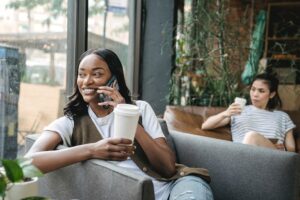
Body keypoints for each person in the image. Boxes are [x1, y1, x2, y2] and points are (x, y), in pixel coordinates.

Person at [26, 48, 214, 200]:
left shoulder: (140, 108)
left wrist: (128, 115)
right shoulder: (70, 123)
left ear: (114, 80)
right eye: (81, 74)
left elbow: (167, 168)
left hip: (178, 187)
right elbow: (26, 164)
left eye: (97, 74)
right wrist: (92, 150)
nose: (87, 81)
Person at [202, 73, 296, 152]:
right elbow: (205, 126)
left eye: (261, 91)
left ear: (271, 94)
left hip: (273, 159)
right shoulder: (238, 111)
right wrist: (225, 113)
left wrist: (273, 148)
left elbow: (291, 150)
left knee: (252, 136)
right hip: (243, 157)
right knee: (251, 136)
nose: (255, 94)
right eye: (253, 89)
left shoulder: (283, 117)